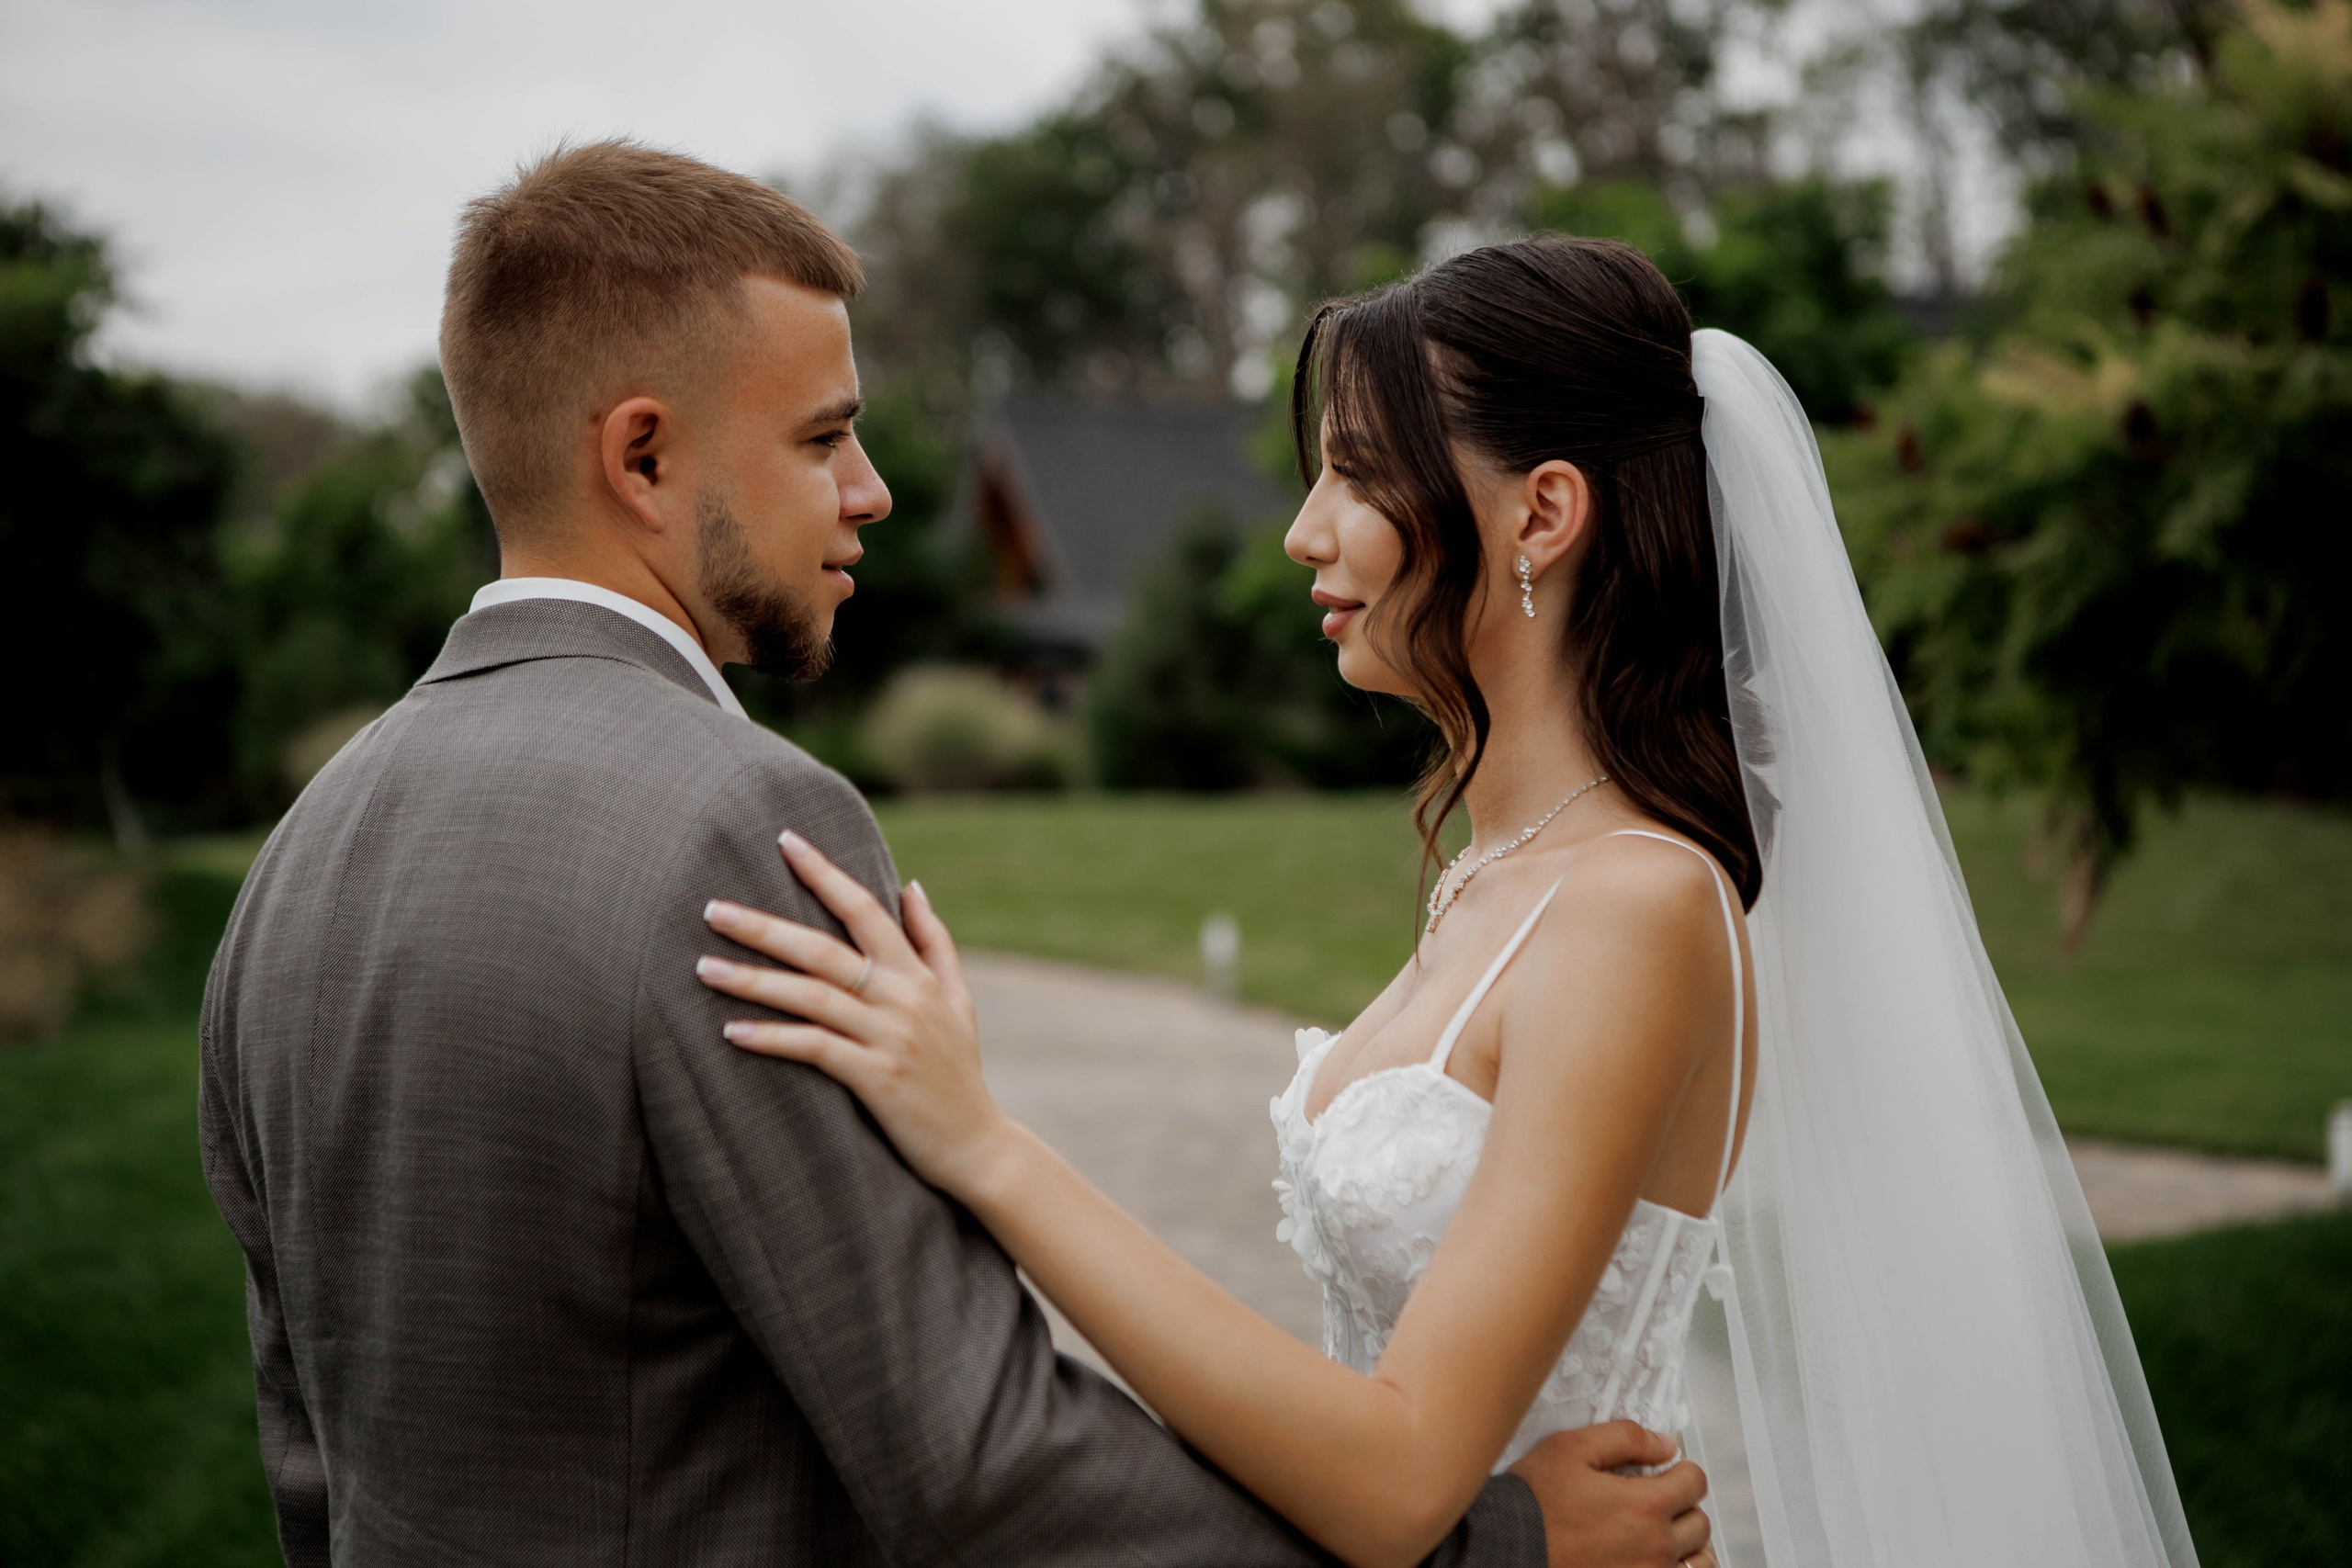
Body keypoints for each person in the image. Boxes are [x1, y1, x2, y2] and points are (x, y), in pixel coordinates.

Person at [198, 142, 1715, 1568]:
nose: (874, 490)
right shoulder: (729, 821)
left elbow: (304, 1447)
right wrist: (1488, 1551)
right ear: (644, 457)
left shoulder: (296, 863)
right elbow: (976, 1459)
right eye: (824, 436)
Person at [693, 238, 2200, 1567]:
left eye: (1356, 470)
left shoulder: (1637, 906)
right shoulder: (1491, 876)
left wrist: (986, 1147)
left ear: (1543, 514)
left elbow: (1402, 1474)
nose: (1303, 530)